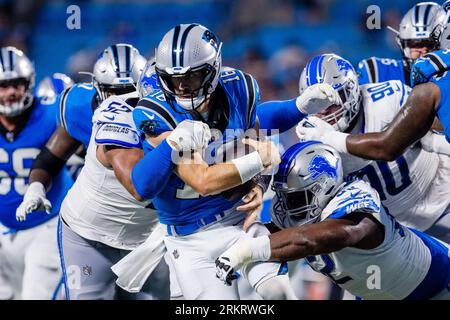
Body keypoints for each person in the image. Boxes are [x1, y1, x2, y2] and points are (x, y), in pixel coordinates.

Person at [129, 23, 315, 300]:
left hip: (237, 219)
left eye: (192, 76)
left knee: (280, 294)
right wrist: (261, 158)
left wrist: (261, 184)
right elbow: (203, 181)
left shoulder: (240, 88)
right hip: (190, 238)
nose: (181, 86)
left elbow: (254, 142)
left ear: (212, 69)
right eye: (172, 78)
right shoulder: (158, 112)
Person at [215, 142, 450, 300]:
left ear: (324, 186)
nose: (287, 207)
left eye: (296, 198)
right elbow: (276, 238)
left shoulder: (357, 202)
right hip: (377, 292)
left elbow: (313, 239)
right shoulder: (294, 214)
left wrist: (245, 251)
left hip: (438, 282)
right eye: (285, 198)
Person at [295, 53, 450, 242]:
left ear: (350, 91)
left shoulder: (388, 98)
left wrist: (329, 138)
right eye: (315, 102)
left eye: (331, 100)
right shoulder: (310, 137)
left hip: (440, 197)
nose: (324, 110)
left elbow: (394, 146)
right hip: (396, 234)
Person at [0, 46, 73, 299]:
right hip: (3, 228)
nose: (10, 92)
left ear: (29, 83)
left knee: (36, 294)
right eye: (3, 85)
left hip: (48, 222)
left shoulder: (52, 113)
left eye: (16, 84)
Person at [358, 2, 446, 86]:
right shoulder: (378, 72)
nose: (424, 53)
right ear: (403, 45)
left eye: (430, 45)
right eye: (415, 45)